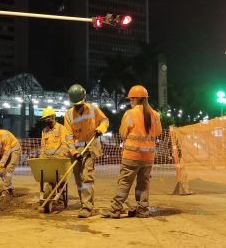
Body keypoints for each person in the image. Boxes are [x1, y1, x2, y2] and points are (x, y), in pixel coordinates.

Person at [101, 85, 162, 219]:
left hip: (131, 155)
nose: (130, 101)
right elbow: (158, 132)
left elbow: (123, 134)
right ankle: (142, 210)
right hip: (148, 157)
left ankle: (115, 209)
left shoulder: (130, 114)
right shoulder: (155, 114)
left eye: (131, 99)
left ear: (135, 99)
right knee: (143, 184)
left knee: (124, 183)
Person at [64, 84, 109, 218]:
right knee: (79, 179)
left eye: (80, 104)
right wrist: (74, 152)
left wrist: (101, 129)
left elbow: (105, 120)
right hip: (77, 150)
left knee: (87, 177)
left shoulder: (93, 109)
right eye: (76, 105)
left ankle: (87, 207)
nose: (78, 107)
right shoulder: (68, 115)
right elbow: (68, 136)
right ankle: (83, 202)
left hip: (90, 147)